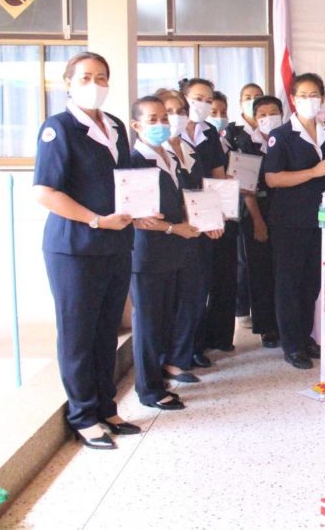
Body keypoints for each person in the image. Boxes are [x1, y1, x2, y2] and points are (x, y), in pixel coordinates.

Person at [34, 51, 139, 449]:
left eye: (101, 77)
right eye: (85, 77)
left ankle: (106, 407)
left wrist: (138, 209)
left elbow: (125, 180)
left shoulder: (114, 126)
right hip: (74, 249)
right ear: (68, 83)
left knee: (105, 332)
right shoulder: (58, 128)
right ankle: (83, 416)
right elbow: (45, 192)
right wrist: (96, 220)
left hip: (115, 244)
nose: (94, 85)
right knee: (78, 334)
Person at [128, 95, 200, 412]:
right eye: (152, 120)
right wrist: (174, 228)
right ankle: (148, 390)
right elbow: (138, 217)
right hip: (147, 254)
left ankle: (158, 377)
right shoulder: (135, 160)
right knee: (147, 323)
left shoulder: (167, 154)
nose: (160, 124)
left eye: (163, 118)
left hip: (172, 252)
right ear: (136, 125)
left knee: (163, 319)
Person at [263, 73, 325, 370]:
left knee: (312, 282)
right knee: (289, 284)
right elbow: (273, 178)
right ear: (293, 99)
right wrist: (314, 172)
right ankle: (292, 345)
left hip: (321, 220)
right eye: (303, 95)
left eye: (315, 95)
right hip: (290, 221)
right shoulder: (281, 135)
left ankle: (306, 337)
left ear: (322, 98)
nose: (310, 100)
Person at [157, 88, 223, 384]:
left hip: (197, 233)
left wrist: (213, 218)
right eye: (169, 112)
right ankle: (168, 359)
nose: (176, 117)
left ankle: (182, 357)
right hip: (169, 236)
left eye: (180, 111)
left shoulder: (190, 149)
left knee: (194, 297)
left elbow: (203, 189)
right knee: (171, 302)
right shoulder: (156, 151)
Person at [176, 78, 228, 370]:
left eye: (209, 100)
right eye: (197, 98)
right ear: (184, 98)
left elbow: (218, 175)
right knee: (181, 291)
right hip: (179, 219)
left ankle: (196, 346)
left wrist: (221, 210)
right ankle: (177, 352)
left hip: (207, 217)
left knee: (200, 287)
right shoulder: (171, 131)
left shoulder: (209, 133)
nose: (203, 105)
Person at [233, 95, 283, 349]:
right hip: (256, 211)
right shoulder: (245, 142)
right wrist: (258, 221)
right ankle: (267, 328)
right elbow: (246, 187)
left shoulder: (286, 138)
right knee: (260, 271)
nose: (268, 118)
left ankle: (285, 323)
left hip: (284, 211)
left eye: (273, 113)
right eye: (262, 114)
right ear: (255, 118)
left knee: (283, 271)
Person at [199, 89, 240, 354]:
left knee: (225, 278)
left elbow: (221, 176)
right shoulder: (180, 137)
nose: (217, 115)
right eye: (212, 110)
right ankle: (197, 343)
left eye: (222, 111)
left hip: (224, 214)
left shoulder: (217, 136)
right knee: (200, 283)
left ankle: (222, 337)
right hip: (197, 215)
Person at [229, 83, 265, 324]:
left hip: (269, 202)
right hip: (244, 203)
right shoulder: (233, 133)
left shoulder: (272, 131)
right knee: (244, 259)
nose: (252, 100)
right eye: (247, 97)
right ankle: (242, 309)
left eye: (257, 97)